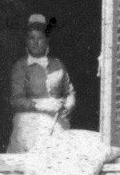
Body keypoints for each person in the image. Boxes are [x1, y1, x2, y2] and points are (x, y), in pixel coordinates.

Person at [4, 13, 75, 151]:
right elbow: (16, 100)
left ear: (46, 41)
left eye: (40, 38)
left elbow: (69, 92)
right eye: (31, 38)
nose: (35, 42)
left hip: (57, 119)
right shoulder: (20, 66)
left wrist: (67, 107)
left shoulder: (58, 65)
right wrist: (42, 105)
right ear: (26, 41)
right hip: (30, 120)